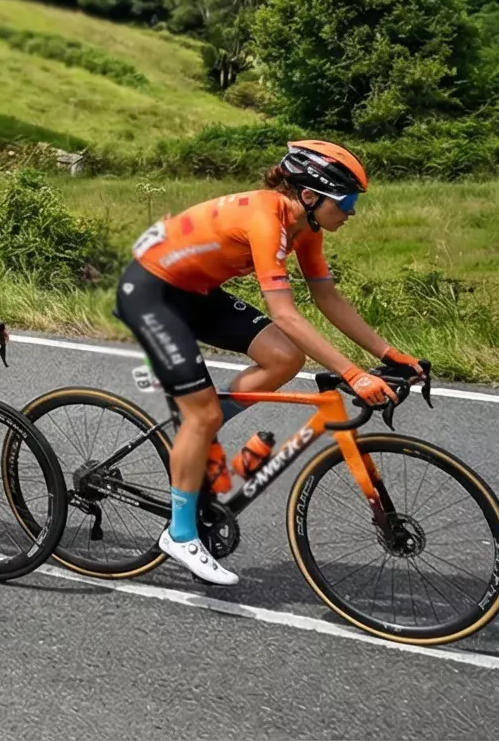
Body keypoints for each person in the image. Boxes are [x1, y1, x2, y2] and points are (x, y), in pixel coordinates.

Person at [119, 140, 419, 589]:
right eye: (348, 201)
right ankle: (179, 535)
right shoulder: (265, 220)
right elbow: (285, 313)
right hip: (151, 294)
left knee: (284, 357)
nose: (352, 212)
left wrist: (389, 355)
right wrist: (354, 374)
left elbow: (327, 297)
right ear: (311, 196)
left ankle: (199, 421)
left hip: (196, 293)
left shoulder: (306, 228)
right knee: (202, 414)